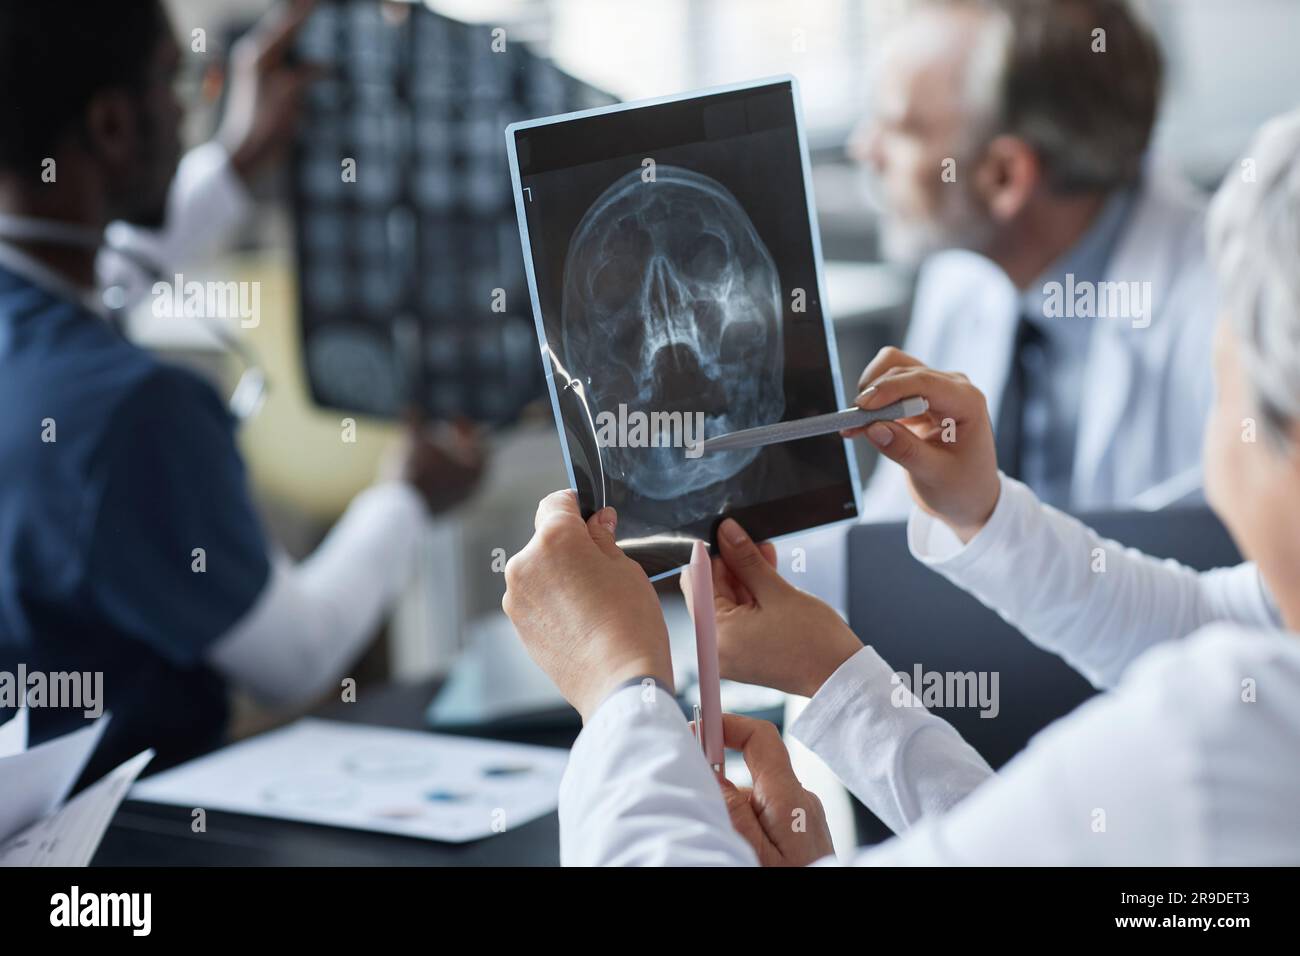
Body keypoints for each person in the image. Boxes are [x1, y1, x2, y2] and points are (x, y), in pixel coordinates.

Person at [499, 109, 1300, 865]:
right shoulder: (1264, 683)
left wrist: (617, 690)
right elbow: (1200, 622)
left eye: (1224, 367)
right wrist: (847, 659)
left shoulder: (1213, 747)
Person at [0, 0, 484, 780]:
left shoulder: (39, 340)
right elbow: (292, 656)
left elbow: (102, 276)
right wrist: (408, 498)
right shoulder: (131, 415)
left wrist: (235, 159)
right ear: (114, 125)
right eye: (174, 81)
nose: (189, 105)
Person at [794, 0, 1216, 612]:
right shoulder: (965, 276)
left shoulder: (1225, 310)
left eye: (900, 127)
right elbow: (888, 541)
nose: (866, 150)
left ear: (1004, 178)